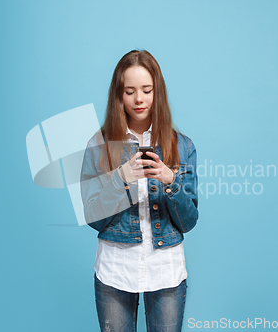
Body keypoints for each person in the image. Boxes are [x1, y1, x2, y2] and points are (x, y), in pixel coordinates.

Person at [80, 49, 198, 332]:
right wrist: (120, 178)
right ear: (118, 95)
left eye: (146, 90)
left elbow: (189, 221)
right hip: (115, 270)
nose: (139, 99)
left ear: (157, 92)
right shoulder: (99, 146)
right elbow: (93, 218)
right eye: (130, 91)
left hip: (166, 271)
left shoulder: (182, 146)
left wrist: (171, 181)